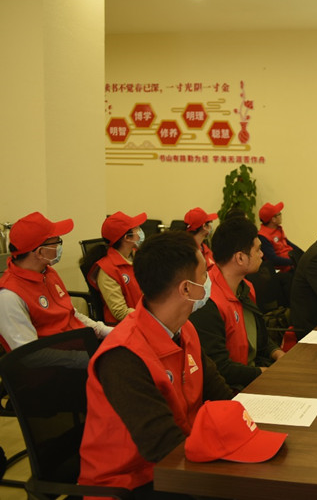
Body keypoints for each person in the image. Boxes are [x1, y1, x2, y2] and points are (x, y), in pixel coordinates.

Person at [79, 231, 233, 498]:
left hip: (178, 462)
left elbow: (221, 396)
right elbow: (163, 447)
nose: (209, 280)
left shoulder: (185, 330)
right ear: (186, 289)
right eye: (204, 274)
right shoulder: (124, 356)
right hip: (132, 483)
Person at [190, 217, 285, 392]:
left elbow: (260, 340)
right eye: (257, 250)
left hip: (253, 376)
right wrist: (263, 372)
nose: (262, 255)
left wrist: (278, 354)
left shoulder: (245, 288)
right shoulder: (208, 301)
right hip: (233, 389)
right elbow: (220, 368)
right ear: (240, 258)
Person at [0, 212, 112, 351]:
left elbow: (72, 315)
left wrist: (105, 331)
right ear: (40, 252)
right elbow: (30, 354)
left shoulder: (48, 273)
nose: (59, 247)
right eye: (57, 242)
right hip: (61, 360)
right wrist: (88, 358)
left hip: (82, 344)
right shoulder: (9, 295)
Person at [83, 211, 147, 324]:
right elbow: (120, 312)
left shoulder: (138, 256)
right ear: (127, 238)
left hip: (144, 318)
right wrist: (150, 316)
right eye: (137, 228)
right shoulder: (108, 269)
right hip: (126, 326)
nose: (140, 231)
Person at [258, 201, 302, 273]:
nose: (281, 215)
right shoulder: (263, 236)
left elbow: (289, 244)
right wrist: (293, 261)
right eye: (279, 214)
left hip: (293, 262)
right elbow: (273, 259)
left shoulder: (278, 229)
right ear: (273, 219)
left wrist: (304, 255)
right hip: (285, 269)